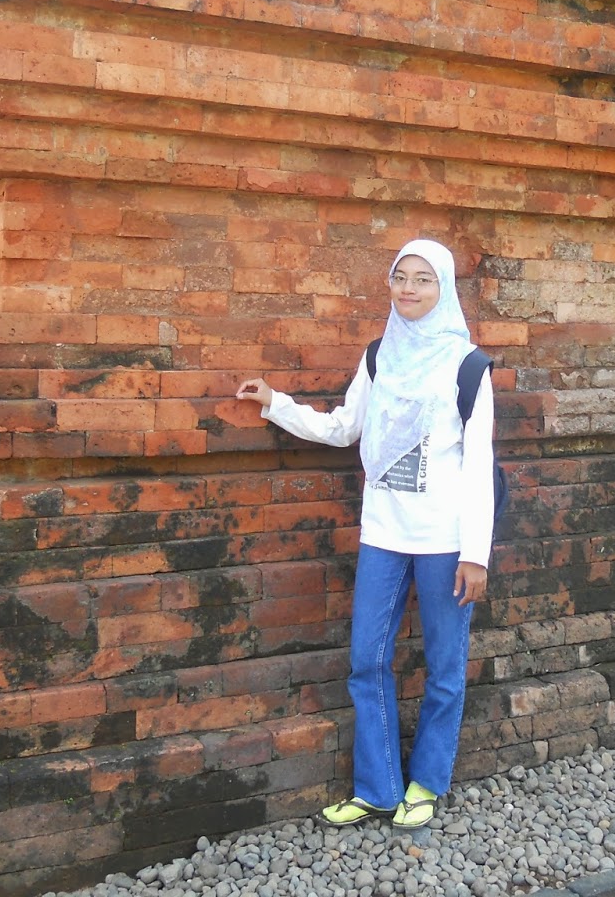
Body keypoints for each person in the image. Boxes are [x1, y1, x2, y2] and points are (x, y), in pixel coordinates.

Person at [236, 239, 495, 830]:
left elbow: (478, 466)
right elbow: (344, 427)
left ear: (444, 290)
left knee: (445, 665)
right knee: (365, 660)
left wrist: (475, 555)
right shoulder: (378, 357)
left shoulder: (468, 367)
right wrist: (278, 403)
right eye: (400, 277)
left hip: (445, 541)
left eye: (423, 280)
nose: (408, 288)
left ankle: (426, 783)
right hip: (382, 532)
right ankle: (378, 787)